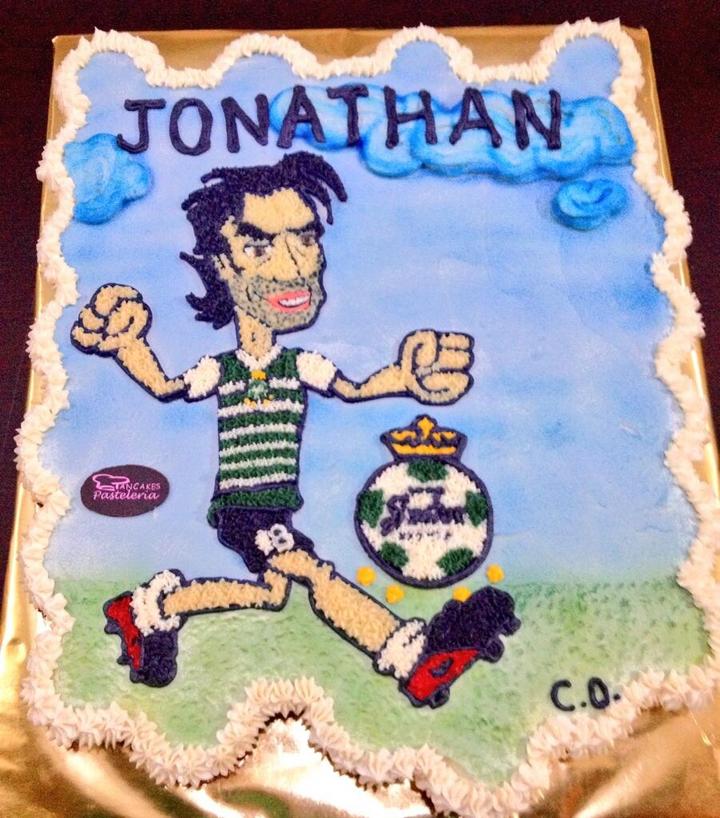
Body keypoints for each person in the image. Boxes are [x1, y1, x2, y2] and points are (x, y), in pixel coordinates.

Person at [72, 151, 519, 708]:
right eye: (258, 245)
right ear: (222, 265)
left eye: (306, 239)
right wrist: (126, 346)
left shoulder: (300, 364)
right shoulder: (223, 369)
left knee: (271, 593)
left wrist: (403, 380)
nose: (293, 264)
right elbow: (165, 387)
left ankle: (153, 609)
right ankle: (409, 654)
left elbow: (353, 389)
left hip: (276, 503)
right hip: (244, 505)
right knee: (312, 573)